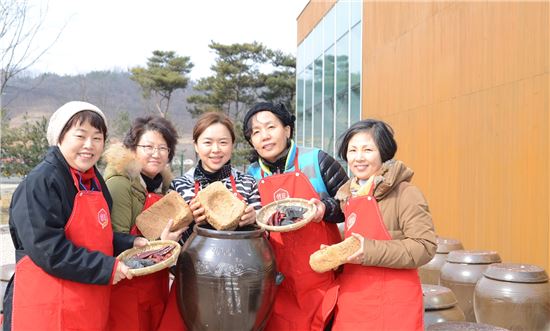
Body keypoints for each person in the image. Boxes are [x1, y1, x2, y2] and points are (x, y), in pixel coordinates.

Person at [2, 101, 146, 331]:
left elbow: (94, 237)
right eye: (80, 136)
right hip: (44, 307)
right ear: (60, 137)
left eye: (97, 138)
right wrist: (107, 268)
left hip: (85, 305)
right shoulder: (41, 182)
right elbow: (49, 250)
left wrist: (131, 243)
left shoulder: (94, 181)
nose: (89, 145)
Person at [242, 102, 348, 331]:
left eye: (271, 127)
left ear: (287, 129)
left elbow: (350, 203)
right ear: (251, 141)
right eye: (256, 132)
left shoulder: (317, 160)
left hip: (322, 275)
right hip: (278, 279)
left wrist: (325, 208)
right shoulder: (249, 176)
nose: (265, 136)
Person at [156, 111, 261, 330]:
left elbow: (263, 232)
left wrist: (254, 219)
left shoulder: (248, 182)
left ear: (232, 145)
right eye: (208, 142)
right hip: (193, 278)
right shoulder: (180, 186)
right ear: (195, 145)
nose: (216, 150)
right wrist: (188, 220)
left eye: (223, 142)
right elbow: (170, 239)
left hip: (241, 279)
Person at [331, 119, 437, 330]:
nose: (358, 157)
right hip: (353, 301)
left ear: (383, 153)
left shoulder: (405, 193)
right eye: (352, 150)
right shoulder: (347, 197)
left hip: (394, 303)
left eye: (368, 149)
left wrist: (368, 250)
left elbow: (425, 246)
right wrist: (338, 255)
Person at [103, 115, 186, 331]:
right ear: (132, 149)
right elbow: (113, 243)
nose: (156, 154)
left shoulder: (163, 188)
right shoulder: (120, 185)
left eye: (163, 148)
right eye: (148, 146)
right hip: (126, 288)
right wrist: (161, 244)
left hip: (155, 284)